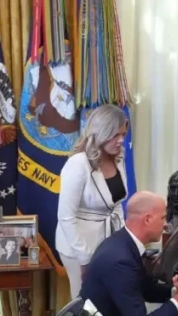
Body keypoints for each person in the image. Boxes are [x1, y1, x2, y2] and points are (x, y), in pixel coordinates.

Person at [56, 104, 129, 298]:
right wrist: (85, 258)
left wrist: (123, 242)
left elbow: (116, 205)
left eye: (123, 134)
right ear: (101, 132)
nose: (121, 140)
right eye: (115, 135)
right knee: (85, 303)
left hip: (108, 244)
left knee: (108, 300)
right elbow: (65, 217)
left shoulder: (118, 157)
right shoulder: (78, 163)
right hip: (78, 246)